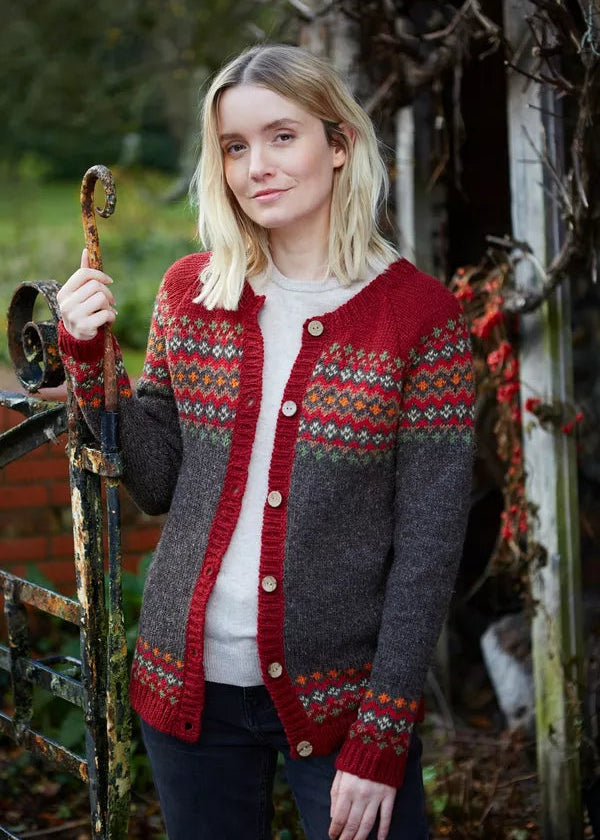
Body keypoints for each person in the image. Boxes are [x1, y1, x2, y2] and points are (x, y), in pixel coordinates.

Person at [57, 43, 474, 840]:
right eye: (235, 147)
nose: (258, 167)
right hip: (189, 691)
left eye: (282, 136)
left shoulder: (420, 320)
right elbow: (158, 480)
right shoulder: (194, 291)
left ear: (340, 143)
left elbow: (429, 546)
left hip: (343, 699)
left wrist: (384, 728)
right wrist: (90, 360)